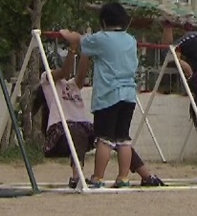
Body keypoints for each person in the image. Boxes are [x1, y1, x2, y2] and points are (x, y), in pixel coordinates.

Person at [32, 52, 165, 188]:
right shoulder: (46, 80)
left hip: (82, 126)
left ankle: (146, 175)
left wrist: (85, 51)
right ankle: (76, 176)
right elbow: (65, 71)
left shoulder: (73, 85)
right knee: (77, 132)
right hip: (60, 130)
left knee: (115, 136)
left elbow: (82, 73)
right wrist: (73, 48)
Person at [60, 2, 138, 189]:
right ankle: (123, 178)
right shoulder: (131, 40)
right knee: (123, 138)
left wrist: (64, 33)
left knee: (104, 138)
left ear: (103, 22)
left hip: (108, 95)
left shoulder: (101, 38)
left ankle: (98, 177)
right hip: (129, 95)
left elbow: (78, 39)